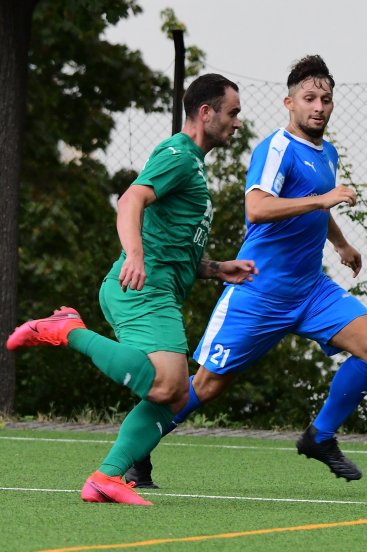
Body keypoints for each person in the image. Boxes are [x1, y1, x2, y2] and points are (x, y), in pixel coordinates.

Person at [132, 54, 367, 486]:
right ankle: (137, 450)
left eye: (326, 99)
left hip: (311, 290)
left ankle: (319, 436)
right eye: (309, 98)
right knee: (205, 385)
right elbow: (257, 208)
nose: (319, 107)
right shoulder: (275, 148)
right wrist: (323, 200)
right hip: (259, 290)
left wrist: (341, 242)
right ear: (288, 103)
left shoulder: (326, 153)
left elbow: (312, 204)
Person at [6, 73, 258, 506]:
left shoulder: (192, 164)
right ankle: (67, 330)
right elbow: (130, 200)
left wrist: (216, 268)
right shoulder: (178, 154)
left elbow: (174, 245)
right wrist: (135, 255)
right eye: (232, 112)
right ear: (205, 112)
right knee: (168, 384)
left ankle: (106, 478)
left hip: (156, 287)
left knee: (174, 393)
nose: (238, 122)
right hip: (143, 288)